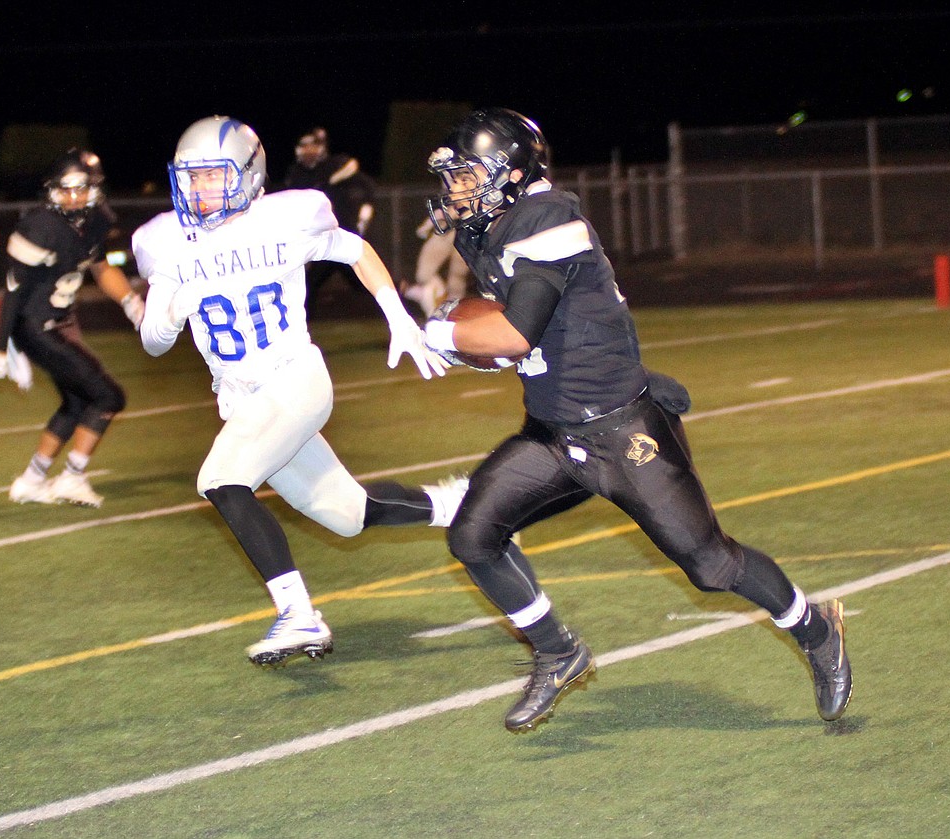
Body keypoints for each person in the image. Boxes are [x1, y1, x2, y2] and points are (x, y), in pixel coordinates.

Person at [420, 107, 852, 732]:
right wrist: (464, 338)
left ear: (511, 174)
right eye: (451, 178)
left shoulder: (550, 217)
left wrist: (441, 328)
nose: (455, 191)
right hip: (554, 432)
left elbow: (516, 333)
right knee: (472, 535)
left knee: (712, 567)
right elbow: (510, 336)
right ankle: (558, 650)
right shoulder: (486, 231)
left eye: (465, 176)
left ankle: (815, 630)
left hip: (624, 430)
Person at [134, 115, 461, 666]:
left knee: (221, 479)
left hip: (294, 376)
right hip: (241, 398)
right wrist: (169, 311)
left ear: (248, 173)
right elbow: (152, 343)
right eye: (191, 178)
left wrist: (397, 316)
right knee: (345, 512)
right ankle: (459, 503)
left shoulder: (286, 217)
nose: (199, 189)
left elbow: (354, 249)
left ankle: (298, 613)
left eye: (213, 176)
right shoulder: (165, 239)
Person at [0, 148, 146, 508]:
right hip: (35, 325)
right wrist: (2, 346)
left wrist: (131, 302)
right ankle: (72, 476)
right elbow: (12, 291)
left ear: (95, 189)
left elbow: (101, 268)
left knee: (75, 402)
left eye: (81, 189)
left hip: (59, 321)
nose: (73, 198)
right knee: (108, 397)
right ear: (52, 190)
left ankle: (31, 480)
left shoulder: (97, 219)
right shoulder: (39, 226)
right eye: (65, 189)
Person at [282, 126, 377, 315]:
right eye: (304, 146)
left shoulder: (332, 165)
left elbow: (352, 167)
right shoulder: (297, 174)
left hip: (342, 236)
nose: (309, 150)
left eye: (313, 145)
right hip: (319, 240)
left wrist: (332, 179)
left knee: (366, 281)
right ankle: (300, 326)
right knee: (308, 285)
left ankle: (400, 307)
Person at [401, 215, 472, 319]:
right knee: (424, 275)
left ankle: (453, 316)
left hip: (467, 229)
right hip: (445, 227)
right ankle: (435, 305)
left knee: (457, 280)